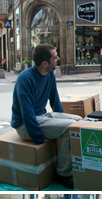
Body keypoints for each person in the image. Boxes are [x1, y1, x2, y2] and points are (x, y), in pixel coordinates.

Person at [11, 44, 82, 189]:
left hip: (42, 115)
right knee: (71, 128)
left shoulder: (49, 74)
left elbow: (55, 100)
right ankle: (63, 173)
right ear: (45, 63)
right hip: (25, 125)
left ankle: (73, 165)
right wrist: (38, 139)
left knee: (79, 122)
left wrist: (60, 117)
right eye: (55, 57)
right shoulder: (25, 78)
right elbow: (27, 112)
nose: (58, 59)